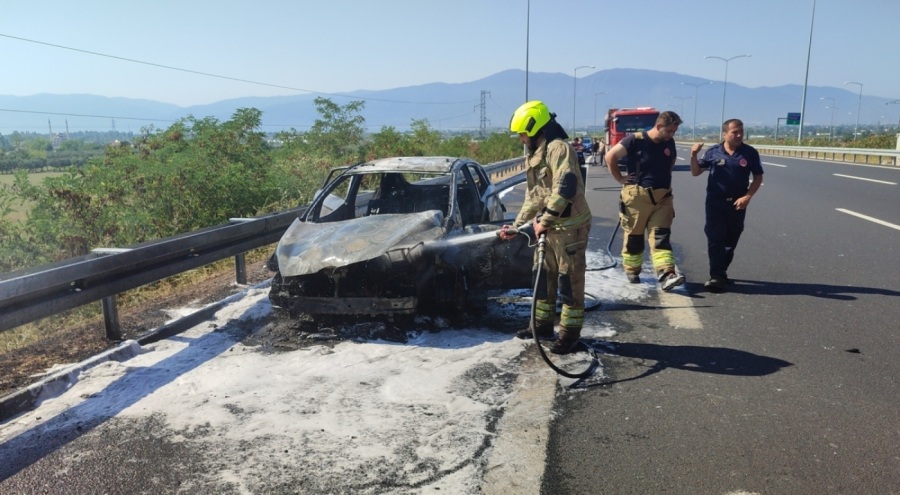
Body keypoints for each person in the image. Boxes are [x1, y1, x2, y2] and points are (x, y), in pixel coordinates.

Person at [499, 101, 592, 355]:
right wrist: (517, 227)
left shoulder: (559, 149)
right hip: (548, 228)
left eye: (522, 134)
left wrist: (544, 221)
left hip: (569, 229)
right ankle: (541, 327)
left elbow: (565, 189)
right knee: (543, 278)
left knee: (568, 282)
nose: (520, 139)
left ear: (535, 128)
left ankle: (569, 335)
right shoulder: (536, 151)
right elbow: (535, 196)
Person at [604, 111, 685, 291]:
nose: (672, 135)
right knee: (635, 236)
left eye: (674, 131)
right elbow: (610, 157)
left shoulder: (668, 142)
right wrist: (620, 179)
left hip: (663, 197)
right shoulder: (636, 140)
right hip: (638, 196)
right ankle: (632, 270)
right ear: (658, 126)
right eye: (670, 131)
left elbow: (670, 161)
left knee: (661, 236)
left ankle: (666, 273)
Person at [690, 119, 763, 293]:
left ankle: (721, 272)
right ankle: (716, 276)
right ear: (724, 134)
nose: (738, 135)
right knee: (716, 239)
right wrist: (693, 155)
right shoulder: (713, 152)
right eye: (734, 132)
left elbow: (758, 177)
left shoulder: (749, 153)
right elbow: (695, 172)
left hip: (737, 204)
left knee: (731, 240)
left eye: (741, 132)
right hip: (715, 203)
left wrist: (747, 196)